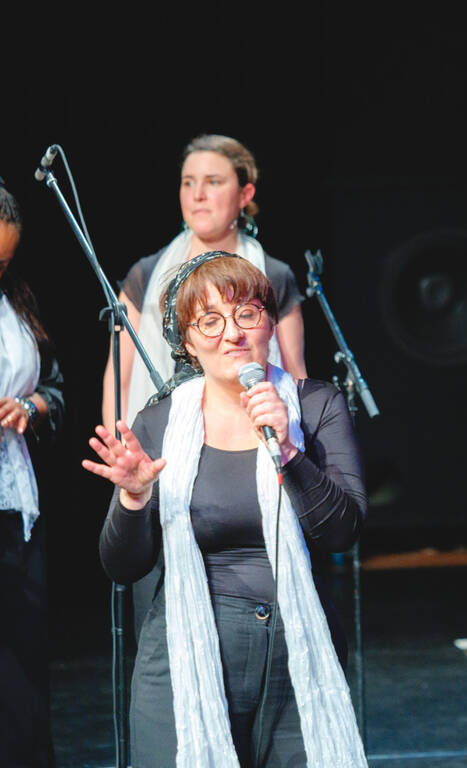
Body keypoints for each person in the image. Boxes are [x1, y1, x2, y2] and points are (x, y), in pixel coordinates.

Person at [85, 253, 367, 767]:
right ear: (187, 343)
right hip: (187, 652)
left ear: (270, 325)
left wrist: (289, 450)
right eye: (210, 321)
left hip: (297, 650)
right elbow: (123, 567)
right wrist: (133, 499)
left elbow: (342, 531)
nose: (232, 334)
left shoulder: (316, 406)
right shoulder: (159, 423)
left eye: (247, 314)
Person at [100, 133, 309, 641]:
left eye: (213, 182)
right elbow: (117, 374)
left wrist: (296, 454)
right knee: (162, 612)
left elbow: (296, 373)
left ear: (245, 194)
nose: (197, 194)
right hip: (164, 462)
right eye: (188, 182)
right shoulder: (147, 274)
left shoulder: (273, 275)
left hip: (253, 461)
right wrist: (123, 455)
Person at [0, 178, 64, 767]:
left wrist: (31, 406)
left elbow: (55, 388)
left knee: (21, 649)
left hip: (15, 501)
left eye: (3, 261)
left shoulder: (17, 302)